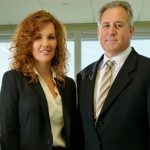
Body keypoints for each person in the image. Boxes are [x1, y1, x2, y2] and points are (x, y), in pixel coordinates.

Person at [77, 1, 150, 150]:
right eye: (106, 25)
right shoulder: (83, 77)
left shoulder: (147, 70)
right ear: (98, 33)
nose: (111, 31)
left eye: (118, 25)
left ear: (131, 31)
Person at [0, 10, 77, 150]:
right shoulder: (13, 79)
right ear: (28, 42)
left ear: (57, 42)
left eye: (51, 37)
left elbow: (74, 133)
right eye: (38, 37)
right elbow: (8, 133)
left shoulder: (68, 84)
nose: (45, 43)